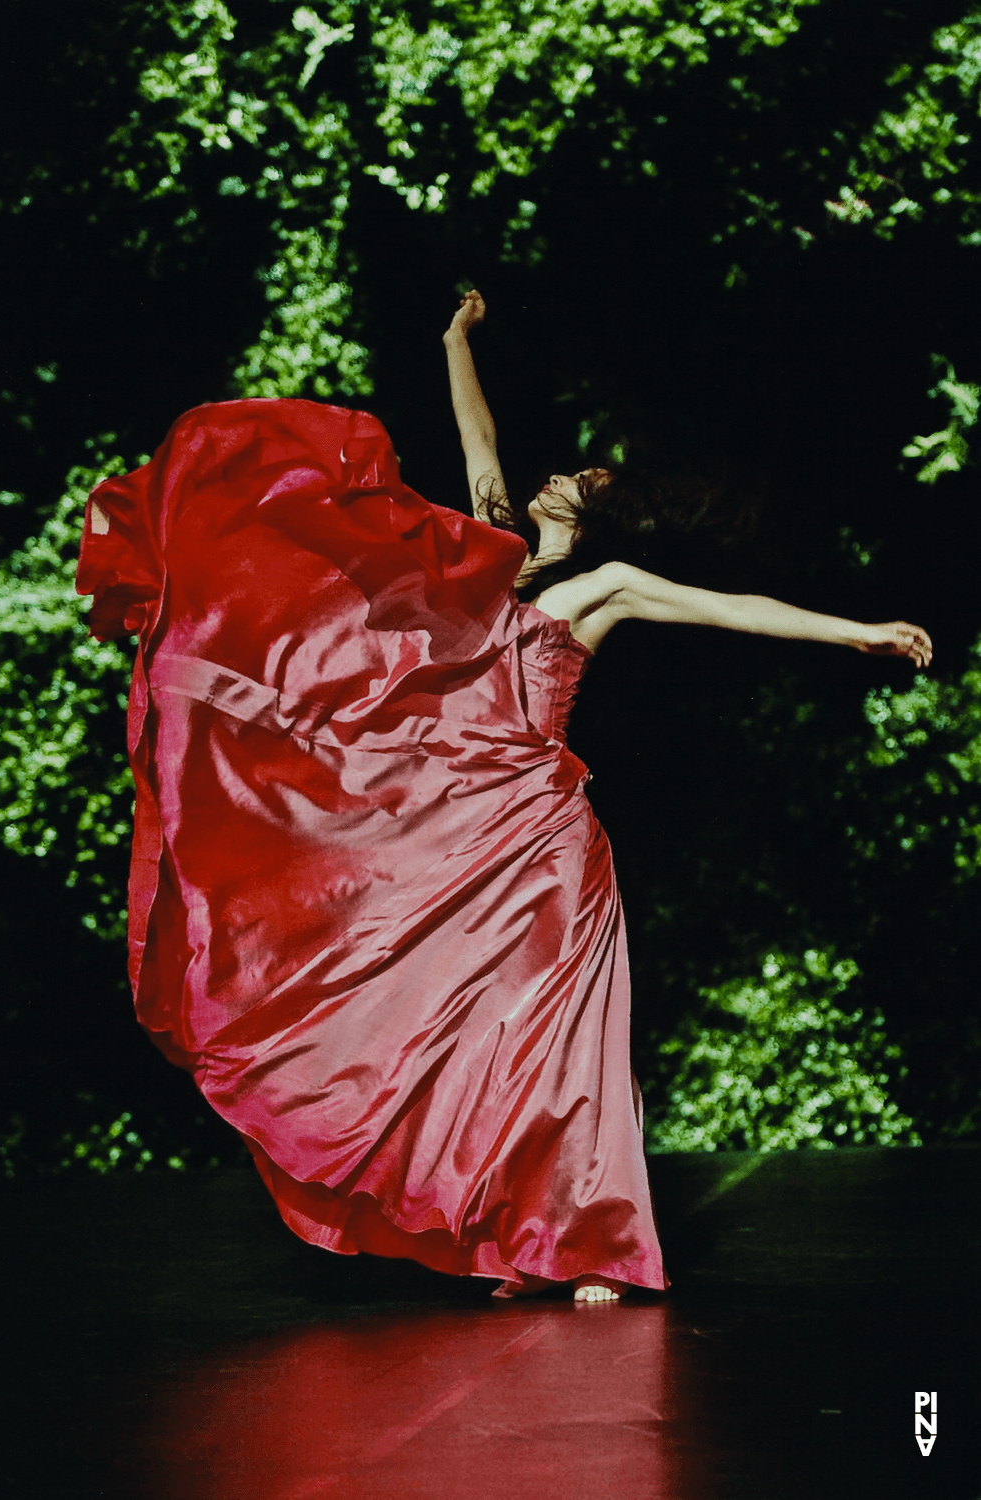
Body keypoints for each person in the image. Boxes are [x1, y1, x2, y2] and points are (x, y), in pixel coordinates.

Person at [75, 290, 931, 1309]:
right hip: (454, 835)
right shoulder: (478, 555)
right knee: (472, 1038)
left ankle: (593, 1243)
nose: (552, 473)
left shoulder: (594, 588)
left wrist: (856, 633)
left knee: (560, 1042)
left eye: (575, 476)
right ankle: (512, 1231)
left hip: (542, 839)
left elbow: (728, 609)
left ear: (592, 507)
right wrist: (451, 341)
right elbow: (474, 435)